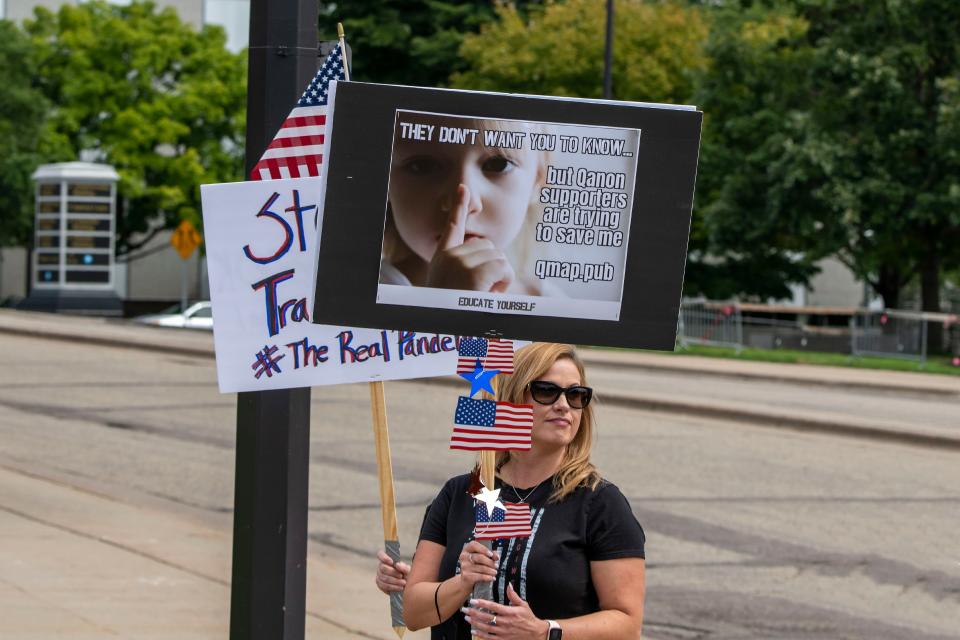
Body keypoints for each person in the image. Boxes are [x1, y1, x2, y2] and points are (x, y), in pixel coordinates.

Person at [381, 342, 646, 639]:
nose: (563, 405)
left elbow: (628, 625)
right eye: (546, 391)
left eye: (575, 395)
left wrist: (545, 631)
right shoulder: (461, 492)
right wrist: (463, 581)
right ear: (510, 398)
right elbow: (413, 612)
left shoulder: (600, 503)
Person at [380, 114, 551, 295]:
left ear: (537, 182)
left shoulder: (549, 301)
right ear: (386, 181)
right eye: (423, 165)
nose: (465, 202)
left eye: (498, 165)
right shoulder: (363, 295)